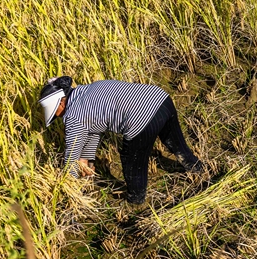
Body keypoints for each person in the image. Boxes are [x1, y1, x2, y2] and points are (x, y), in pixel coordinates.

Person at [38, 77, 203, 204]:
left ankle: (136, 198)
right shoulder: (84, 92)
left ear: (60, 104)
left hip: (141, 118)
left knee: (132, 159)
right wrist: (86, 161)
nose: (58, 118)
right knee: (174, 142)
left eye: (55, 115)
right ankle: (196, 167)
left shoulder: (73, 115)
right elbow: (93, 131)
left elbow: (71, 156)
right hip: (161, 99)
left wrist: (72, 184)